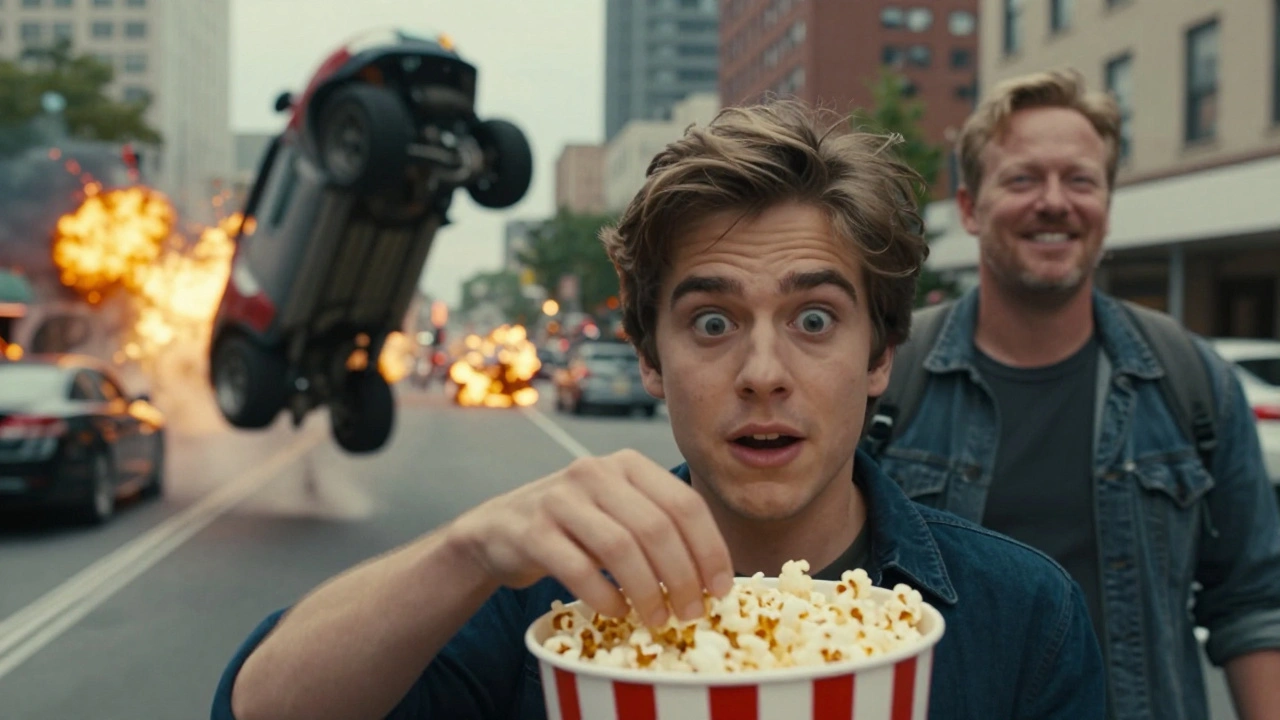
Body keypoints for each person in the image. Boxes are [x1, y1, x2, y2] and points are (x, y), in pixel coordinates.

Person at [211, 100, 1105, 720]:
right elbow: (255, 706)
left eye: (815, 319)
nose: (763, 372)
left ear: (878, 356)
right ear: (649, 359)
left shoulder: (1021, 620)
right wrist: (470, 548)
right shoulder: (548, 606)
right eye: (711, 321)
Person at [862, 69, 1280, 720]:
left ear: (1106, 206)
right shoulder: (884, 375)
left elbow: (1253, 602)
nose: (1054, 202)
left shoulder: (1191, 381)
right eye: (1023, 179)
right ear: (969, 208)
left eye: (1080, 180)